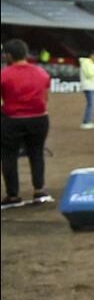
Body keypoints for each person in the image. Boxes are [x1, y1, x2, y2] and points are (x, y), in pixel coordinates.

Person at [1, 39, 53, 208]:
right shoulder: (41, 72)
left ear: (8, 55)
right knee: (36, 153)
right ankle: (39, 190)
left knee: (9, 156)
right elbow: (45, 98)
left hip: (13, 119)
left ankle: (13, 195)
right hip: (39, 118)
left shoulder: (4, 74)